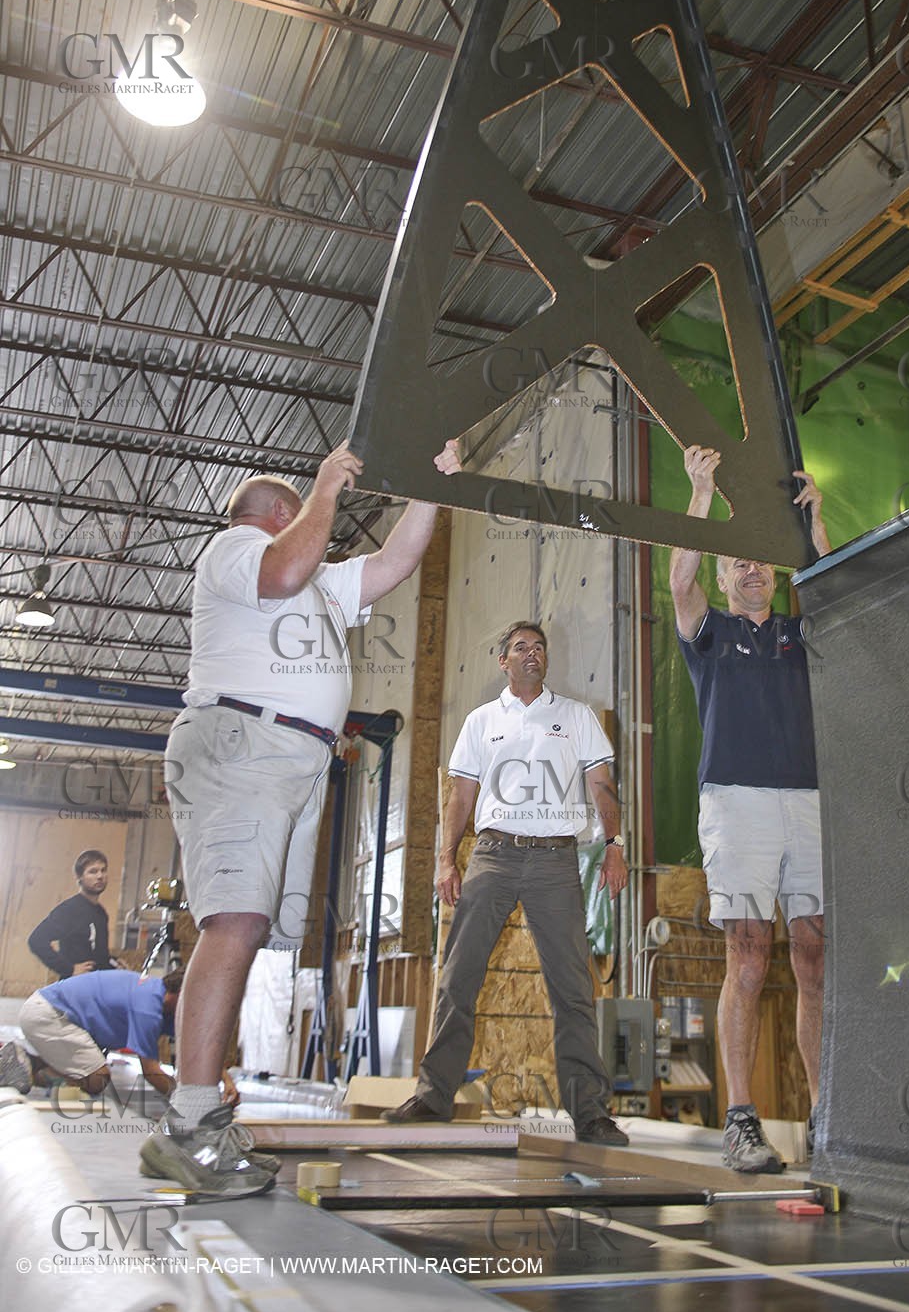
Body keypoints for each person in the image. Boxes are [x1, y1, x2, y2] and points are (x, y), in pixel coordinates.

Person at [139, 439, 461, 1197]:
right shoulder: (235, 550)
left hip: (293, 757)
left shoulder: (321, 579)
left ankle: (202, 1122)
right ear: (280, 513)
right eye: (302, 510)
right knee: (235, 921)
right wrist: (326, 489)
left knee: (251, 928)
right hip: (239, 741)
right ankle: (189, 1124)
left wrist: (430, 485)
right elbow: (283, 569)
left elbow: (393, 563)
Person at [386, 621, 629, 1146]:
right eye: (521, 647)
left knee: (573, 989)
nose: (533, 654)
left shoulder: (576, 717)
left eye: (539, 647)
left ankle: (589, 1112)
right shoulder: (481, 721)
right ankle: (432, 1096)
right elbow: (460, 797)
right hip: (492, 855)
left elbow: (603, 785)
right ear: (503, 661)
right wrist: (447, 859)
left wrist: (616, 845)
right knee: (458, 976)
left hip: (556, 862)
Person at [669, 447, 831, 1174]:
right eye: (737, 563)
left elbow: (842, 596)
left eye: (762, 562)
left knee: (813, 952)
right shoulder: (711, 636)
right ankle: (741, 1119)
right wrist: (699, 493)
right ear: (724, 576)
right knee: (747, 950)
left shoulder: (800, 635)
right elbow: (679, 579)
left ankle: (827, 1116)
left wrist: (815, 524)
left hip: (807, 799)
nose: (751, 570)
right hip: (735, 800)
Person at [2, 967, 185, 1100]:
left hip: (50, 1012)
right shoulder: (148, 1008)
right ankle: (27, 1064)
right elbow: (151, 1072)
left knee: (86, 1065)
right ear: (178, 993)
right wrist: (191, 1102)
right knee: (97, 1079)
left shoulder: (159, 997)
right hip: (49, 1015)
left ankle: (24, 1064)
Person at [27, 849, 115, 978]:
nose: (100, 876)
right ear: (80, 877)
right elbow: (36, 940)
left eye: (103, 870)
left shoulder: (100, 913)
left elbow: (99, 955)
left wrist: (114, 963)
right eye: (93, 871)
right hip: (74, 986)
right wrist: (68, 969)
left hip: (95, 986)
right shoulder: (69, 910)